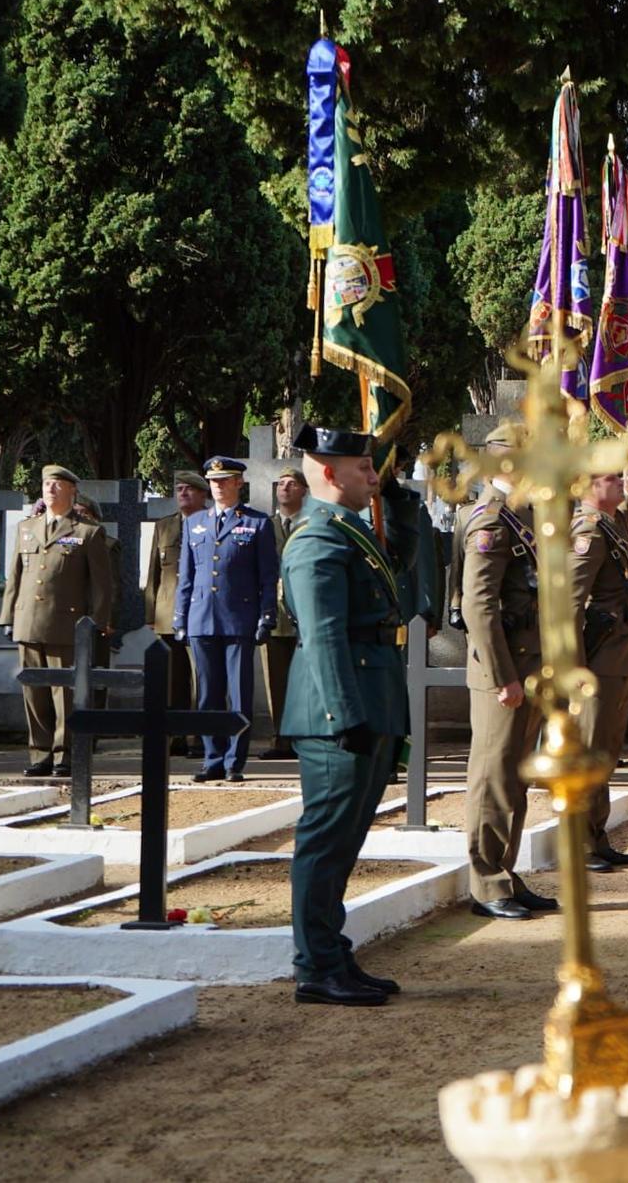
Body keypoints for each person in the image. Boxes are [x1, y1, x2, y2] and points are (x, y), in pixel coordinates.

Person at [279, 424, 409, 1008]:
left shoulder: (349, 531)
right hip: (340, 713)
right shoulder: (316, 541)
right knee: (325, 842)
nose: (373, 474)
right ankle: (316, 966)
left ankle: (333, 954)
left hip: (368, 702)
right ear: (329, 473)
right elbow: (325, 635)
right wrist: (344, 715)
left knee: (345, 841)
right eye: (363, 467)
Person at [458, 423, 556, 921]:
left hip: (528, 666)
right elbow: (478, 607)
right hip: (505, 672)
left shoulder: (523, 515)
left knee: (514, 777)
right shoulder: (491, 521)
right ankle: (487, 882)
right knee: (493, 776)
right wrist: (504, 677)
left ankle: (505, 872)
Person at [0, 465, 115, 776]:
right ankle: (40, 754)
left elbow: (102, 585)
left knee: (63, 693)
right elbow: (16, 575)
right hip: (28, 621)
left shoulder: (87, 532)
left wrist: (97, 622)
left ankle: (64, 756)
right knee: (33, 692)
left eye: (58, 484)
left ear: (72, 490)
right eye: (47, 484)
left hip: (67, 624)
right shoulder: (27, 528)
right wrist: (9, 616)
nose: (50, 489)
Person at [174, 455, 280, 783]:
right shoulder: (195, 523)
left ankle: (235, 760)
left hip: (239, 619)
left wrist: (266, 615)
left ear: (239, 483)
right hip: (202, 618)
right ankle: (212, 758)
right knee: (207, 694)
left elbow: (267, 576)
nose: (218, 486)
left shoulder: (257, 523)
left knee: (238, 692)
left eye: (225, 481)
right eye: (214, 481)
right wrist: (180, 617)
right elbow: (186, 576)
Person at [571, 468, 628, 870]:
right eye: (611, 477)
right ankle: (581, 841)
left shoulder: (612, 526)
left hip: (618, 656)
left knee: (606, 752)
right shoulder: (588, 530)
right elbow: (570, 601)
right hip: (596, 661)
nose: (622, 482)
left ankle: (596, 837)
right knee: (589, 750)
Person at [145, 470, 208, 722]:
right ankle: (174, 734)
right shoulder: (165, 526)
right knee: (173, 677)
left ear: (203, 494)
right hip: (168, 611)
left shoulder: (211, 522)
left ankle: (197, 734)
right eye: (179, 489)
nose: (182, 493)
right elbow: (154, 573)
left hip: (202, 610)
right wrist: (151, 614)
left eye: (189, 489)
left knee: (201, 675)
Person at [260, 466, 310, 760]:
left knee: (308, 680)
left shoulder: (314, 523)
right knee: (276, 680)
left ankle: (308, 738)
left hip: (307, 612)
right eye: (281, 484)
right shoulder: (266, 525)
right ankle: (281, 739)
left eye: (292, 483)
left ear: (304, 490)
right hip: (275, 613)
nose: (285, 488)